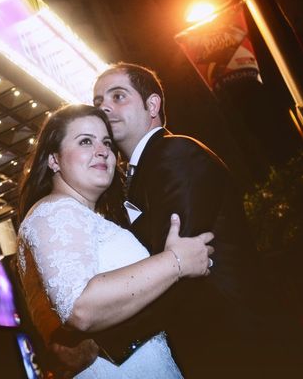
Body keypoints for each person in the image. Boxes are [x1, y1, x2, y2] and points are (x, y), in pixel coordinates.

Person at [80, 62, 295, 378]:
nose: (105, 109)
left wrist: (99, 340)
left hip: (238, 345)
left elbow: (173, 267)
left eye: (118, 96)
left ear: (152, 105)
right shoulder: (137, 175)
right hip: (205, 347)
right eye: (98, 103)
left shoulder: (176, 153)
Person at [17, 104, 214, 378]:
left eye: (106, 142)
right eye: (86, 141)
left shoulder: (83, 216)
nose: (103, 150)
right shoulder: (56, 210)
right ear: (54, 160)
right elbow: (80, 307)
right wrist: (176, 262)